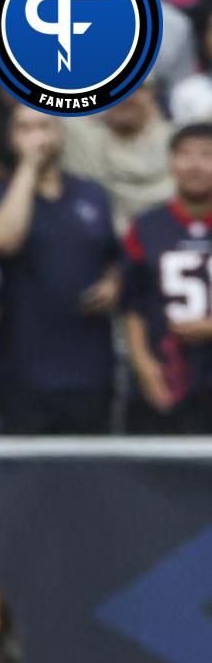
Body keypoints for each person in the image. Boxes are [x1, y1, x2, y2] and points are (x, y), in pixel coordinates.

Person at [0, 107, 122, 436]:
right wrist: (28, 167)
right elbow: (2, 242)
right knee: (25, 479)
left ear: (61, 135)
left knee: (91, 476)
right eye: (24, 129)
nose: (36, 136)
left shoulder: (92, 194)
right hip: (22, 369)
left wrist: (113, 283)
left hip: (89, 367)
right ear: (11, 139)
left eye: (44, 126)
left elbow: (114, 257)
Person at [121, 123, 212, 434]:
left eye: (206, 155)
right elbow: (132, 304)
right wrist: (143, 364)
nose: (195, 165)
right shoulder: (145, 226)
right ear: (171, 163)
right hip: (167, 372)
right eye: (185, 154)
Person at [63, 88, 173, 234]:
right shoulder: (86, 143)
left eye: (137, 90)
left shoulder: (177, 144)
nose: (126, 98)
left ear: (150, 96)